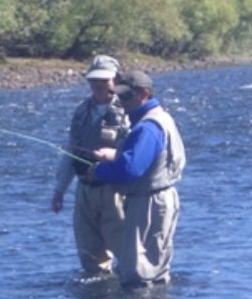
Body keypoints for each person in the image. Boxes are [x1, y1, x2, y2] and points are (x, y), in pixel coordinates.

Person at [89, 70, 185, 287]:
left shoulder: (147, 127)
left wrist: (99, 171)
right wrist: (114, 155)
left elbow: (129, 170)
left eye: (125, 97)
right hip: (158, 197)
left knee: (137, 271)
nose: (120, 102)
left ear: (144, 94)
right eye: (118, 96)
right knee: (153, 267)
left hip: (149, 201)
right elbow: (143, 159)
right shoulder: (159, 119)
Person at [52, 55, 130, 275]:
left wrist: (113, 156)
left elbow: (136, 155)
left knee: (127, 255)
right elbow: (70, 151)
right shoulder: (81, 111)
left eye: (103, 80)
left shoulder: (128, 111)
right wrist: (59, 191)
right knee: (90, 259)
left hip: (115, 191)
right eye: (93, 80)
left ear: (116, 79)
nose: (97, 85)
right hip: (85, 190)